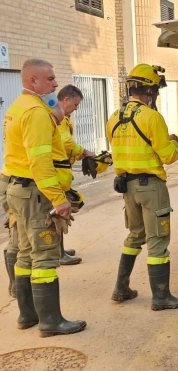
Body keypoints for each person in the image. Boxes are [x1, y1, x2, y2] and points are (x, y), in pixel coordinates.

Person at [4, 59, 86, 337]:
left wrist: (54, 111)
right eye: (49, 79)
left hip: (17, 189)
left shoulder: (19, 107)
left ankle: (28, 315)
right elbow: (40, 161)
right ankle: (50, 320)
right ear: (32, 82)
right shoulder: (37, 113)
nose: (54, 83)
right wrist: (58, 199)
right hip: (35, 193)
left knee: (25, 253)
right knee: (45, 256)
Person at [107, 63, 178, 311]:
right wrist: (174, 142)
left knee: (135, 236)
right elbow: (167, 156)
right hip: (151, 187)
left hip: (127, 188)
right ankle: (161, 297)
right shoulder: (152, 117)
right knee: (158, 241)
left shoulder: (114, 118)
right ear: (150, 91)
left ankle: (121, 288)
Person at [56, 84, 95, 265]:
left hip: (61, 172)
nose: (76, 108)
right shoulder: (57, 118)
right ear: (66, 100)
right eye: (75, 104)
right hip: (55, 174)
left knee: (59, 212)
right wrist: (84, 152)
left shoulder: (62, 118)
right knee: (57, 213)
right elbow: (65, 143)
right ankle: (58, 253)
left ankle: (59, 249)